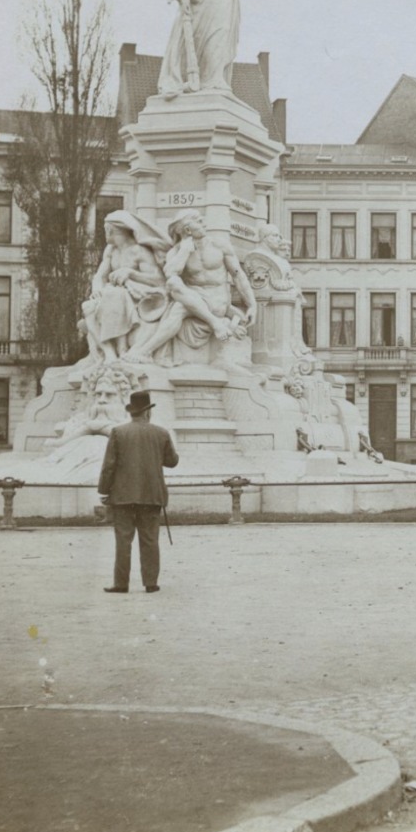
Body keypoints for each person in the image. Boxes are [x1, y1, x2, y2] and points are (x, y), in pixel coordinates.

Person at [124, 212, 257, 363]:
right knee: (174, 286)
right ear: (187, 230)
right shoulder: (177, 251)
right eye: (199, 222)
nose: (204, 224)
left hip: (217, 301)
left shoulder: (219, 246)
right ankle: (215, 324)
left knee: (179, 304)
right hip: (193, 299)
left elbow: (238, 276)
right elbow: (170, 273)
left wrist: (252, 304)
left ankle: (145, 351)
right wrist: (185, 251)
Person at [98, 389, 179, 594]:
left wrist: (104, 490)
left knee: (123, 541)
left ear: (131, 412)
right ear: (148, 412)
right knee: (150, 539)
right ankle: (150, 583)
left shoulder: (118, 432)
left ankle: (121, 584)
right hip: (151, 495)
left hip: (123, 495)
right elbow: (172, 461)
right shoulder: (161, 432)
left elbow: (109, 465)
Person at [82, 211, 169, 361]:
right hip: (116, 292)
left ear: (111, 230)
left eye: (105, 229)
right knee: (88, 307)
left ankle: (122, 349)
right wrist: (96, 289)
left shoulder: (139, 251)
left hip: (141, 294)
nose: (104, 233)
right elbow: (100, 275)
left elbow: (158, 280)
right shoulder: (111, 250)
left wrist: (130, 273)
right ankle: (108, 351)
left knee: (115, 295)